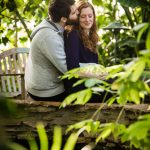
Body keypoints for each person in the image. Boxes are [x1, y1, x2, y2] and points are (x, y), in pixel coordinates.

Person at [25, 0, 79, 101]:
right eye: (74, 13)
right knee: (88, 93)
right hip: (46, 92)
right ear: (63, 19)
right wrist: (94, 68)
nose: (78, 13)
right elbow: (70, 70)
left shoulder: (55, 29)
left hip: (48, 85)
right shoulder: (49, 37)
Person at [63, 1, 99, 95]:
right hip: (77, 86)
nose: (87, 20)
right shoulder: (74, 35)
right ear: (77, 18)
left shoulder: (92, 36)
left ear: (94, 17)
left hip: (90, 81)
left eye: (90, 16)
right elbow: (73, 68)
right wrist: (97, 75)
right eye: (83, 16)